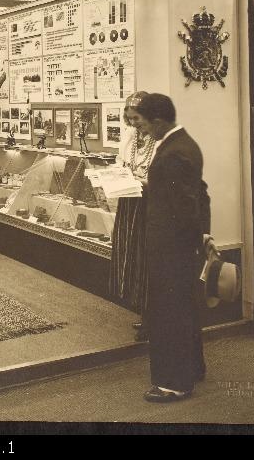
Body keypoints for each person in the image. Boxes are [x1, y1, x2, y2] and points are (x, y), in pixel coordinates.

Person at [135, 93, 210, 402]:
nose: (140, 129)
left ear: (158, 121)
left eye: (141, 123)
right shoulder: (182, 144)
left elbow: (185, 207)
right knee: (184, 308)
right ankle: (192, 368)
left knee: (168, 313)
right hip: (179, 246)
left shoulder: (173, 153)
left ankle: (173, 383)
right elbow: (195, 197)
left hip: (171, 248)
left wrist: (188, 243)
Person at [109, 91, 154, 342]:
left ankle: (151, 317)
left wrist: (142, 181)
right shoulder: (129, 138)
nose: (134, 123)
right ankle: (142, 311)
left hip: (148, 205)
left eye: (138, 118)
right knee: (130, 257)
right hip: (129, 203)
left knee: (144, 261)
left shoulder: (158, 141)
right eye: (130, 119)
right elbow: (120, 163)